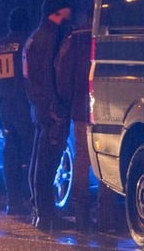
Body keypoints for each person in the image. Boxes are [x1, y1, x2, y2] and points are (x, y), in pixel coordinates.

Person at [23, 0, 72, 232]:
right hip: (49, 108)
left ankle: (39, 210)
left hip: (38, 106)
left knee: (39, 158)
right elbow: (49, 76)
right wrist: (56, 107)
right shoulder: (49, 38)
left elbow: (33, 79)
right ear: (54, 14)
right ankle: (45, 214)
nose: (67, 18)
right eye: (64, 13)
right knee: (47, 162)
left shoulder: (34, 37)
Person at [0, 7, 34, 216]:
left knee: (11, 155)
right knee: (32, 154)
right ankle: (33, 199)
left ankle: (12, 201)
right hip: (24, 105)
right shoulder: (27, 44)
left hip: (5, 107)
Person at [55, 25, 93, 231]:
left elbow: (62, 75)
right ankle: (108, 214)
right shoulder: (106, 33)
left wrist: (70, 101)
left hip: (80, 107)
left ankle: (82, 214)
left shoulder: (75, 39)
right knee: (108, 157)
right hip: (106, 106)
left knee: (81, 157)